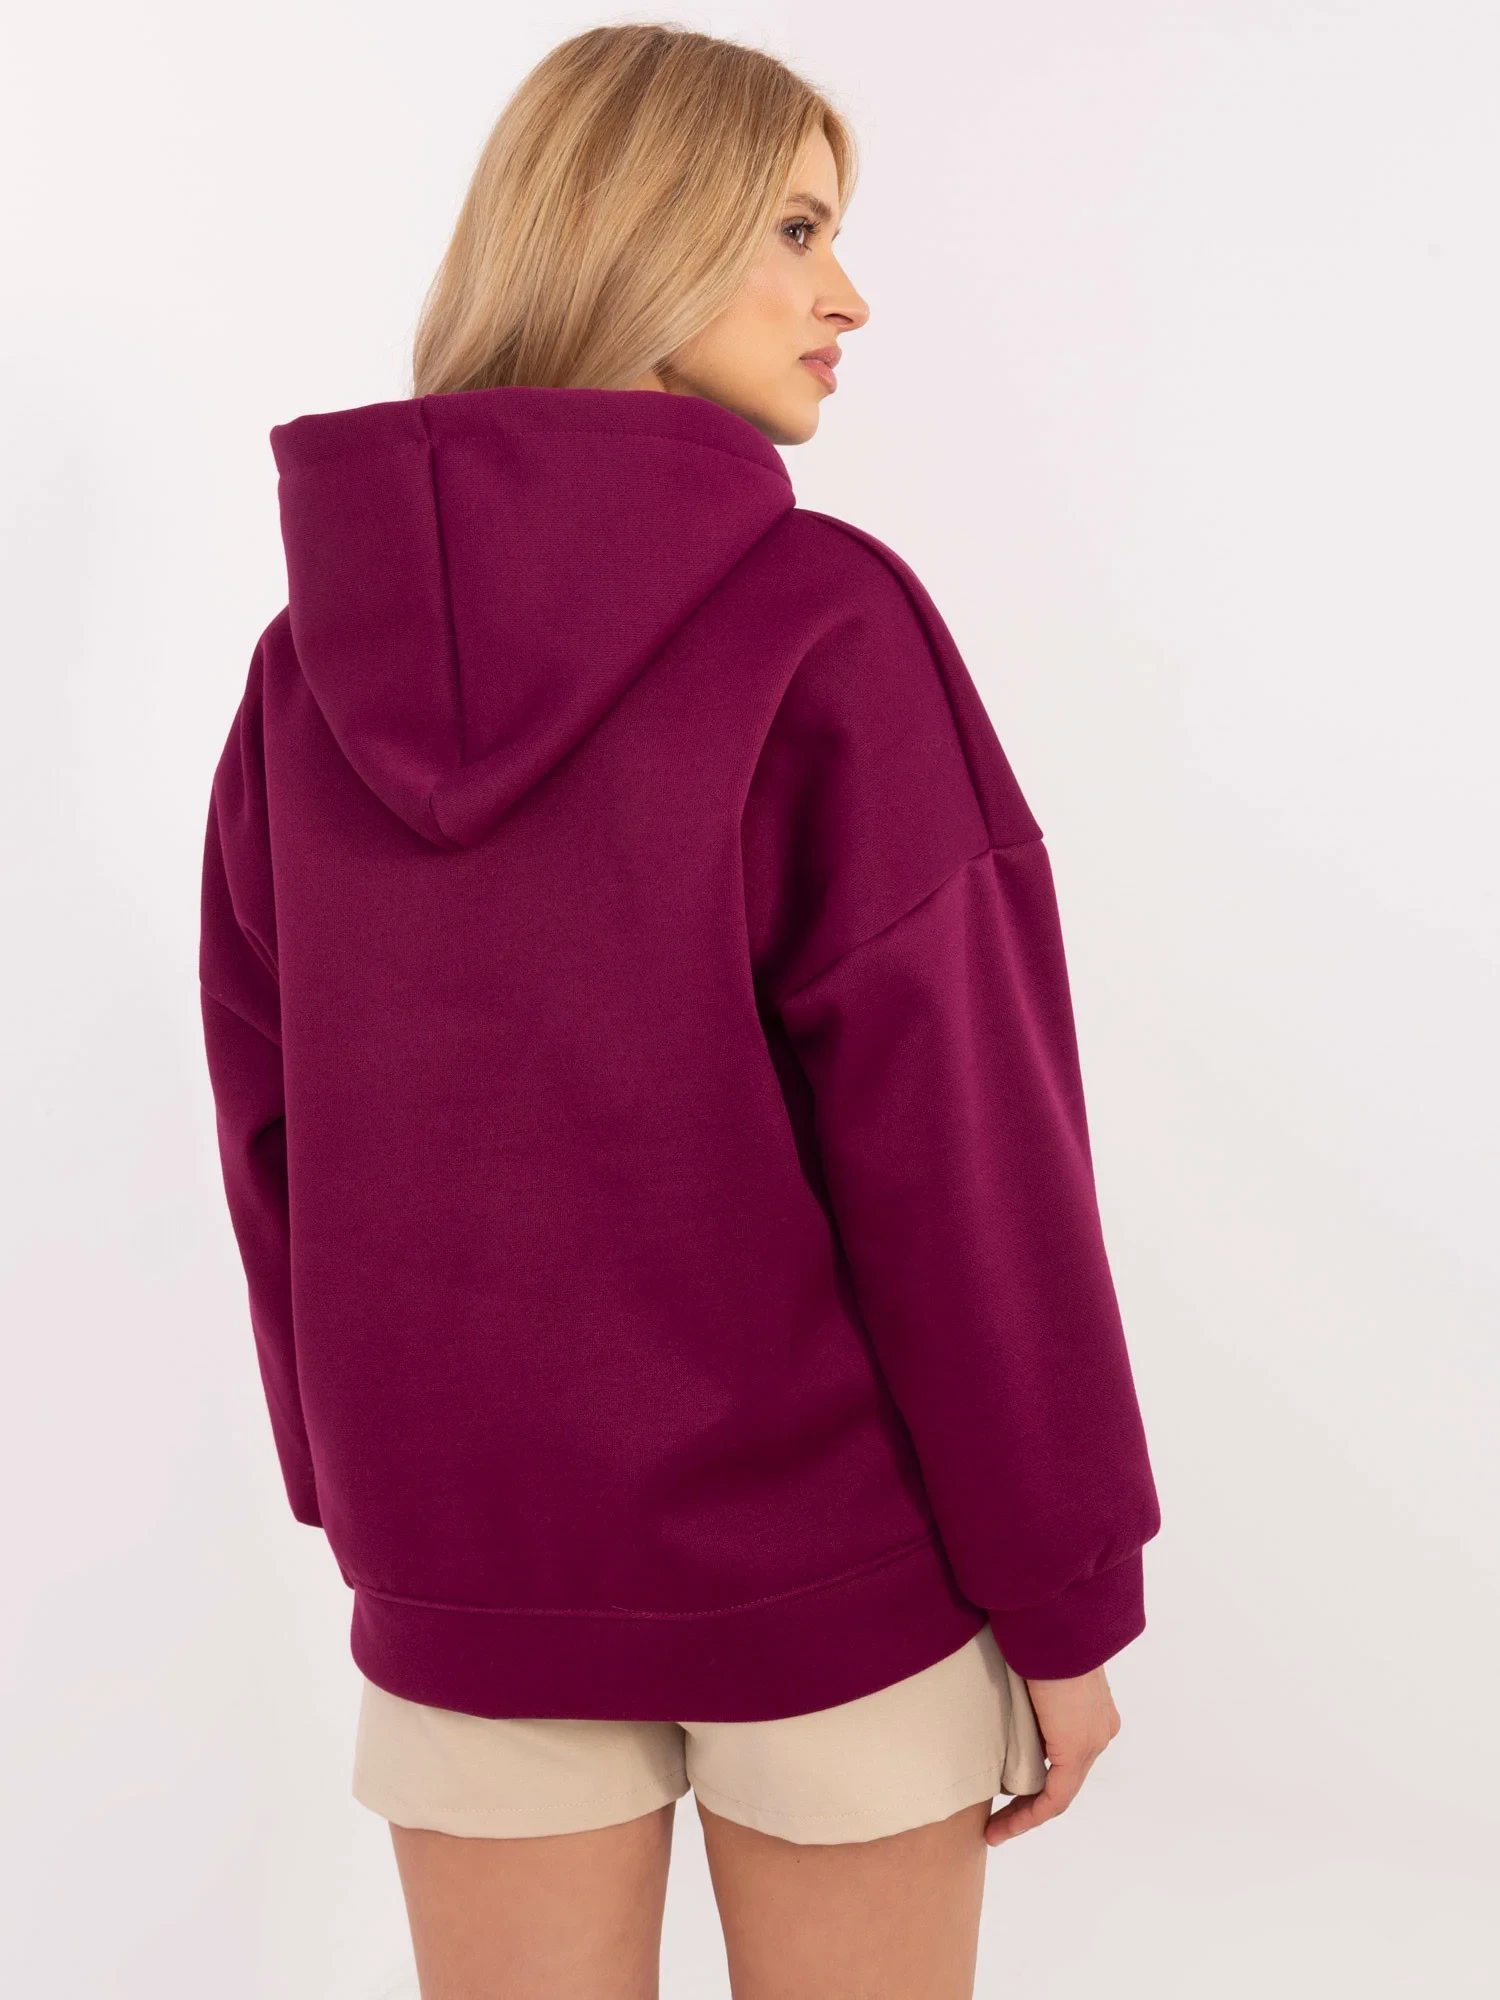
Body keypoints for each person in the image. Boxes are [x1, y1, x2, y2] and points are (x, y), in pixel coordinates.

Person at [198, 22, 1162, 1998]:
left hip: (466, 1570)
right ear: (640, 232)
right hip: (828, 1576)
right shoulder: (826, 623)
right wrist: (1067, 1591)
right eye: (796, 227)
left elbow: (271, 1124)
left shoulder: (305, 671)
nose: (848, 293)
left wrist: (366, 1490)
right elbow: (961, 1158)